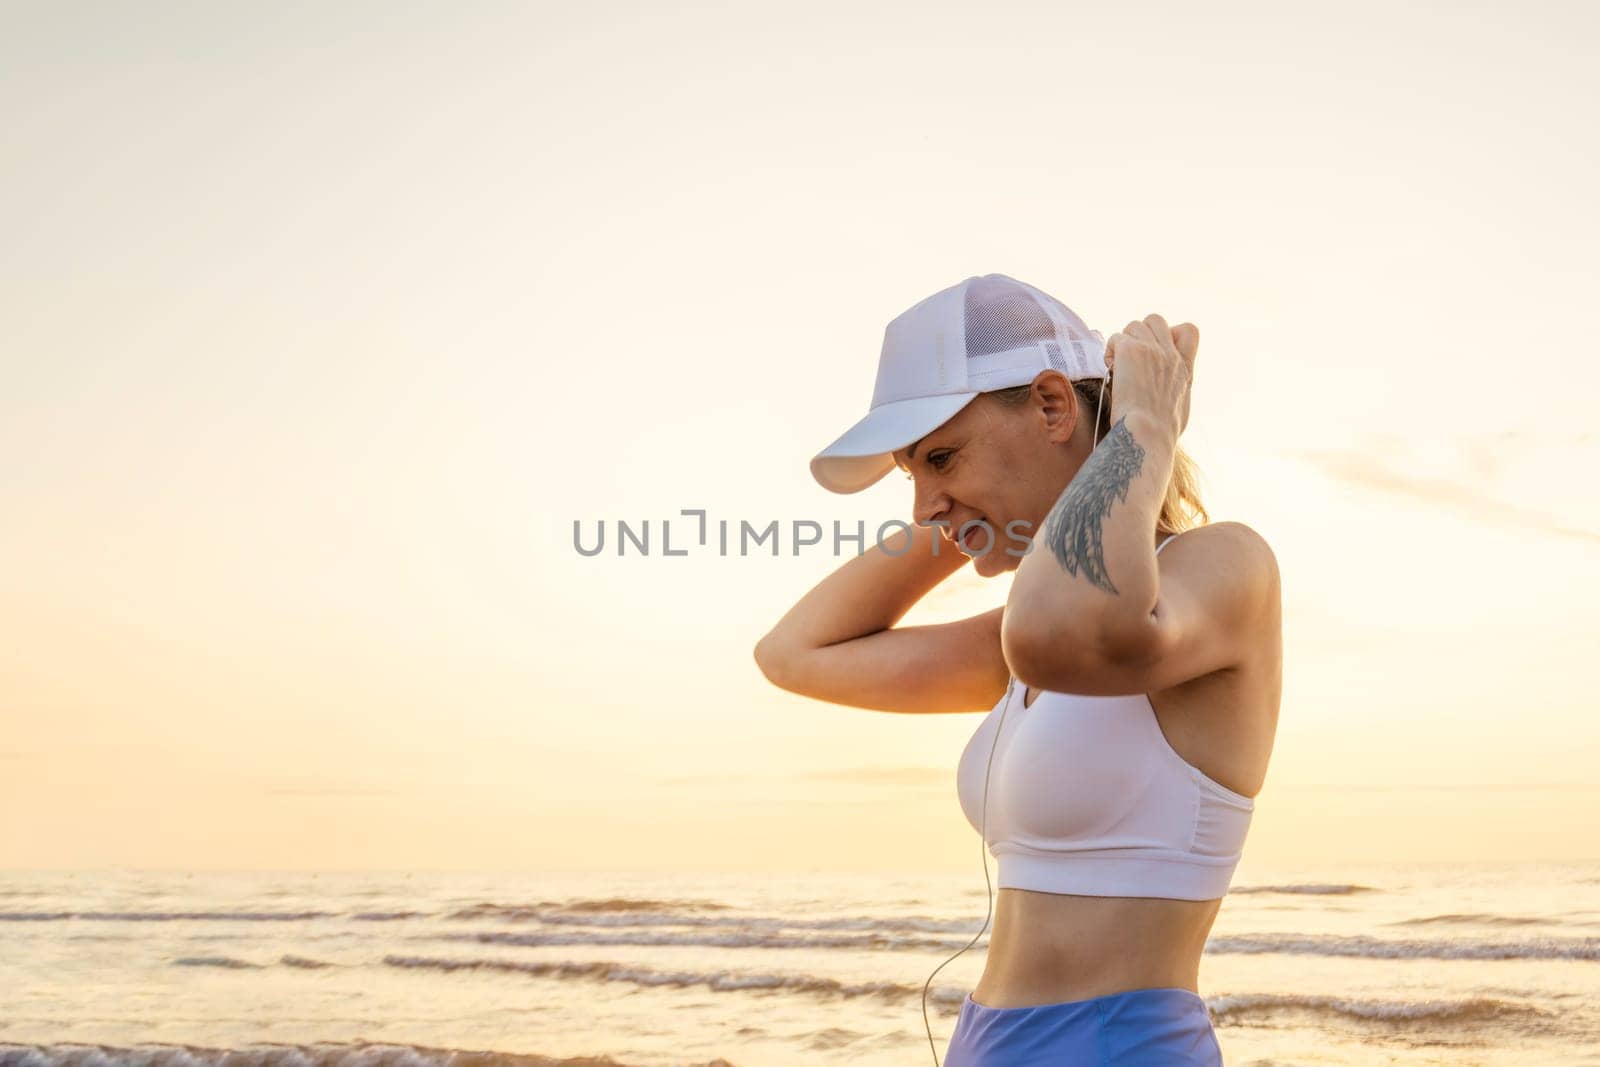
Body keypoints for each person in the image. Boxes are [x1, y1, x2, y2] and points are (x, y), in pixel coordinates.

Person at [753, 274, 1281, 1065]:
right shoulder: (1034, 631)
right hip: (987, 1041)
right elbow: (795, 653)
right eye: (912, 475)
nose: (920, 504)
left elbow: (1056, 630)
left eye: (941, 456)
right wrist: (961, 511)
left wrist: (1142, 426)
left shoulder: (1219, 567)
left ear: (1051, 405)